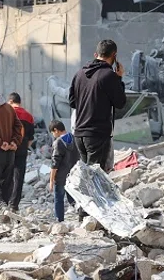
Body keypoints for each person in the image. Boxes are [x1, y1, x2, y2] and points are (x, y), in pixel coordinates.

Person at [68, 38, 126, 172]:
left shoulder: (79, 74)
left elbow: (72, 102)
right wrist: (119, 78)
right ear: (114, 56)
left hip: (79, 134)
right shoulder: (109, 76)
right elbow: (120, 103)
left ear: (96, 54)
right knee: (96, 179)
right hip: (97, 135)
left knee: (86, 176)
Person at [8, 92, 35, 212]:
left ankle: (4, 202)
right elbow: (31, 139)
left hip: (8, 149)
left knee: (6, 176)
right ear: (20, 102)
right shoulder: (28, 116)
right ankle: (14, 204)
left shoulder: (7, 113)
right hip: (22, 149)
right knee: (18, 177)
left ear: (10, 101)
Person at [49, 120, 79, 222]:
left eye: (53, 133)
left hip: (61, 176)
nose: (53, 135)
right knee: (73, 197)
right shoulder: (74, 138)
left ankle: (59, 220)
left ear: (56, 130)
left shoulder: (58, 143)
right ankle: (82, 215)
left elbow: (54, 164)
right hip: (73, 174)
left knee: (59, 199)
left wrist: (51, 180)